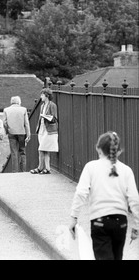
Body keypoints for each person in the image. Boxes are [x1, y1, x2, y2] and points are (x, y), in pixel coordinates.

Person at [69, 132, 139, 260]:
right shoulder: (126, 170)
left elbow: (81, 193)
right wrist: (137, 224)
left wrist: (74, 217)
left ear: (98, 148)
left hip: (99, 221)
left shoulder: (91, 167)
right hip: (121, 222)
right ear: (119, 151)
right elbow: (134, 199)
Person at [30, 88, 58, 175]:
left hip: (49, 130)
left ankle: (40, 167)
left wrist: (46, 117)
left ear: (47, 95)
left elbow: (54, 118)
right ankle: (47, 169)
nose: (40, 96)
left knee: (41, 149)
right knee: (45, 150)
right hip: (42, 130)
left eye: (42, 95)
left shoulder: (52, 105)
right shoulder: (42, 106)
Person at [3, 96, 31, 173]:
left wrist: (7, 131)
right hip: (22, 133)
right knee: (22, 151)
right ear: (19, 102)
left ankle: (15, 171)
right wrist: (28, 134)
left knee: (14, 152)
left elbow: (4, 123)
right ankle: (23, 171)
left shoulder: (6, 110)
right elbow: (26, 123)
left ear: (11, 102)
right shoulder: (23, 109)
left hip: (11, 133)